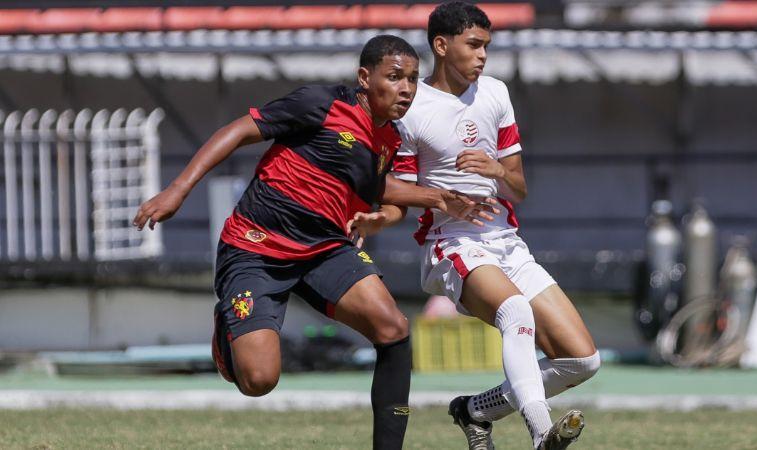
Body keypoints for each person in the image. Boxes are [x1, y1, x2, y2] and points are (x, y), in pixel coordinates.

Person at [133, 35, 489, 450]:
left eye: (411, 79)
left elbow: (378, 189)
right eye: (394, 77)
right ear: (364, 77)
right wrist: (177, 190)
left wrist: (431, 199)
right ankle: (228, 329)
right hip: (256, 249)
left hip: (324, 250)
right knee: (258, 381)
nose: (406, 88)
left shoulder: (389, 139)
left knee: (393, 328)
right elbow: (236, 131)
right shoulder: (320, 104)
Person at [356, 3, 601, 449]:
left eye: (487, 45)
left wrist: (497, 171)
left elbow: (519, 188)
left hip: (506, 241)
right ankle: (541, 432)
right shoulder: (412, 109)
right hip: (453, 242)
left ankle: (475, 411)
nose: (483, 55)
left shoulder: (496, 93)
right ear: (442, 45)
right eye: (474, 45)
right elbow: (397, 192)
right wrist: (378, 218)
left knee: (583, 360)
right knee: (516, 312)